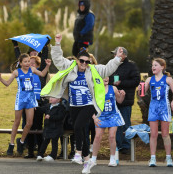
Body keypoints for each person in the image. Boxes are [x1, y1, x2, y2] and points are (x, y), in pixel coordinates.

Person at [41, 34, 123, 174]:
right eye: (82, 61)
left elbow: (107, 69)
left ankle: (78, 153)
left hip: (88, 105)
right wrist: (58, 44)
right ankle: (87, 160)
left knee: (78, 126)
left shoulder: (93, 70)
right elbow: (58, 60)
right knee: (81, 131)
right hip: (74, 105)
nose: (84, 64)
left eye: (87, 62)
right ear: (77, 60)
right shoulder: (70, 66)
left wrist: (117, 58)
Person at [0, 54, 51, 156]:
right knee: (17, 122)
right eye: (25, 62)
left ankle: (21, 141)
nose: (27, 63)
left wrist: (47, 66)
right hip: (21, 99)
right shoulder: (17, 72)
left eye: (28, 61)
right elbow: (7, 83)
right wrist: (0, 78)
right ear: (20, 63)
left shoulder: (32, 69)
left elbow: (43, 74)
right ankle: (11, 144)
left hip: (30, 99)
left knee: (29, 123)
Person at [137, 58, 173, 167]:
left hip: (164, 108)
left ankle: (168, 158)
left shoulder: (168, 79)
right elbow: (142, 93)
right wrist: (139, 89)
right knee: (154, 134)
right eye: (152, 65)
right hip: (153, 108)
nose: (153, 67)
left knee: (165, 134)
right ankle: (152, 159)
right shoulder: (149, 79)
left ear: (162, 67)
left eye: (155, 65)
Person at [11, 41, 50, 158]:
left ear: (37, 65)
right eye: (29, 62)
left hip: (39, 102)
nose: (31, 64)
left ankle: (40, 151)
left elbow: (44, 59)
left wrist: (46, 46)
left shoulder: (39, 71)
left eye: (33, 63)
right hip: (26, 101)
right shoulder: (25, 71)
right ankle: (29, 149)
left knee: (38, 126)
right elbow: (20, 60)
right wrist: (16, 47)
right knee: (27, 125)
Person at [109, 47, 140, 155]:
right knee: (115, 124)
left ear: (124, 55)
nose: (114, 56)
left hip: (126, 100)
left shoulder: (131, 65)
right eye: (114, 54)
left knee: (125, 123)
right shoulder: (112, 65)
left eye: (116, 54)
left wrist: (121, 83)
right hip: (113, 100)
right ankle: (117, 145)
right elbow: (108, 79)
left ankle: (126, 146)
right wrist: (113, 82)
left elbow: (136, 81)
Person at [89, 77, 125, 171]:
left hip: (113, 115)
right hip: (101, 116)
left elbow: (119, 101)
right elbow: (90, 105)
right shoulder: (95, 89)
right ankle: (93, 159)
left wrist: (122, 95)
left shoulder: (113, 88)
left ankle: (113, 158)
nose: (106, 78)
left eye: (107, 76)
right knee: (97, 137)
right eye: (103, 76)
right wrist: (94, 118)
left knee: (112, 136)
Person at [36, 97, 66, 162]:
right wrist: (35, 107)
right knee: (45, 141)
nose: (50, 99)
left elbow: (60, 117)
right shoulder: (48, 106)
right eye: (50, 97)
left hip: (56, 128)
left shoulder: (61, 108)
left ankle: (53, 155)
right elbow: (41, 109)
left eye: (53, 97)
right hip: (48, 127)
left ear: (58, 100)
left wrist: (51, 117)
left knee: (54, 142)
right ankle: (40, 154)